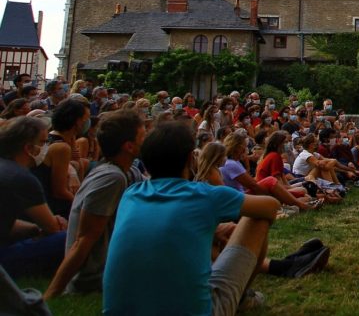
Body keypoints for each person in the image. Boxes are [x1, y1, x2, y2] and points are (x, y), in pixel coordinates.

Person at [102, 121, 280, 315]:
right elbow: (271, 208)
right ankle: (243, 298)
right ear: (190, 158)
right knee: (257, 217)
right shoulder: (204, 194)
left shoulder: (130, 195)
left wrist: (212, 229)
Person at [43, 111, 144, 298]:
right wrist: (51, 295)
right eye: (142, 136)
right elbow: (84, 239)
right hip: (93, 278)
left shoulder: (128, 171)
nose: (147, 140)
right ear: (129, 146)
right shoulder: (111, 178)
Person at [0, 117, 69, 279]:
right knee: (70, 238)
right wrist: (52, 224)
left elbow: (5, 223)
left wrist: (33, 229)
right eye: (44, 142)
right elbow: (52, 227)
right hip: (5, 256)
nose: (47, 147)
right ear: (28, 148)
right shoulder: (23, 178)